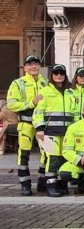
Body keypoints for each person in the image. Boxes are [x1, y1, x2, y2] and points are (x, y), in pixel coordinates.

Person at [7, 55, 48, 196]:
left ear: (40, 67)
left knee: (46, 154)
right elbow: (11, 104)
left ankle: (43, 181)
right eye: (30, 64)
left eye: (36, 64)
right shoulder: (18, 83)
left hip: (42, 125)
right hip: (26, 122)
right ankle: (25, 184)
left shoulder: (47, 82)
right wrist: (31, 103)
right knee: (24, 155)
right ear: (25, 67)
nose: (33, 67)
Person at [32, 64, 74, 197]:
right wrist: (39, 128)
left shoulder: (71, 92)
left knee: (64, 157)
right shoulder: (45, 91)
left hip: (67, 132)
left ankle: (61, 184)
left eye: (62, 73)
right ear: (52, 75)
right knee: (53, 158)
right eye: (56, 73)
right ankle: (50, 185)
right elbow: (38, 112)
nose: (59, 76)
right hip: (50, 131)